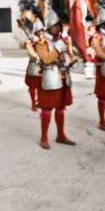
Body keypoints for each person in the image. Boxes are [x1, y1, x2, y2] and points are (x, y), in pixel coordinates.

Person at [35, 8, 76, 149]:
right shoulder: (42, 41)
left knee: (61, 107)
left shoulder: (61, 40)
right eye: (55, 25)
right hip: (50, 76)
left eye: (59, 25)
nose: (57, 28)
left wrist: (69, 58)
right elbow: (46, 59)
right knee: (47, 108)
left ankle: (61, 135)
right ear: (48, 27)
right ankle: (44, 137)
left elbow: (69, 56)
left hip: (63, 76)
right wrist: (58, 49)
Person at [25, 18, 45, 111]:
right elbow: (29, 50)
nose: (40, 32)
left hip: (44, 65)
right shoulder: (30, 40)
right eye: (39, 30)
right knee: (32, 85)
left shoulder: (45, 39)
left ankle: (40, 101)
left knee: (41, 85)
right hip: (34, 64)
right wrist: (36, 56)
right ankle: (33, 102)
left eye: (41, 30)